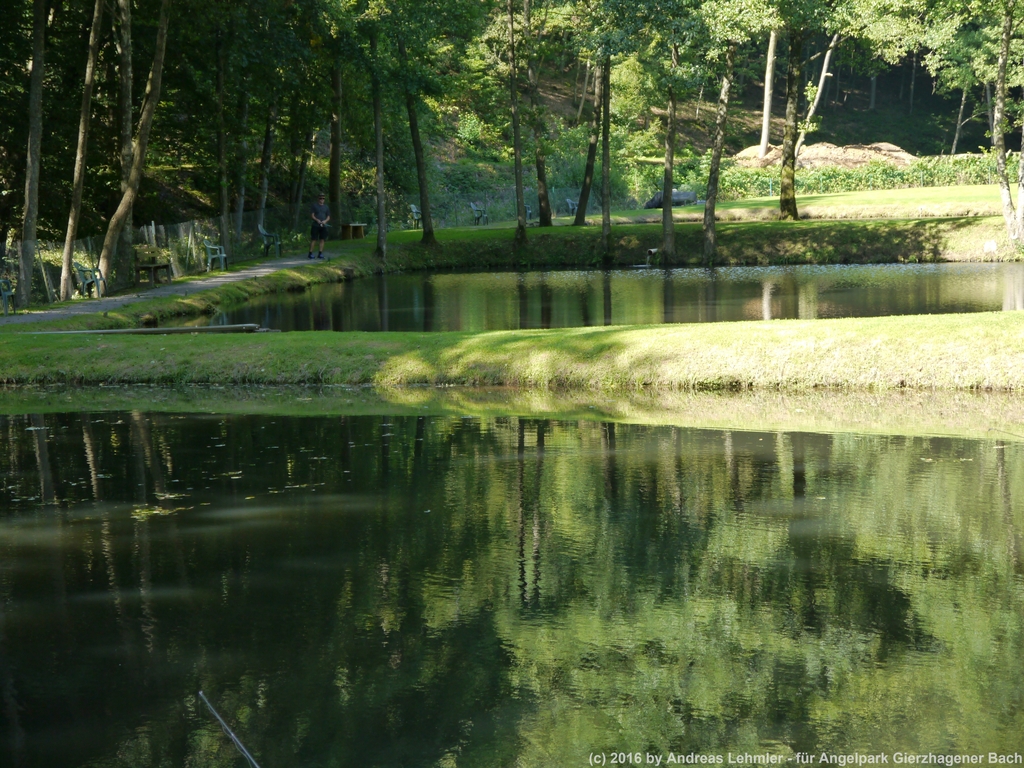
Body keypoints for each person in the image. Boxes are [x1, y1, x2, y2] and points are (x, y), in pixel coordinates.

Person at [309, 193, 330, 259]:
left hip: (323, 226)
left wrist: (325, 221)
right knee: (314, 239)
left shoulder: (326, 207)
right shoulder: (314, 206)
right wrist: (317, 220)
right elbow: (312, 215)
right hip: (315, 225)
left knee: (322, 239)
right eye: (320, 198)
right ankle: (310, 253)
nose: (322, 199)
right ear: (318, 199)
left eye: (323, 198)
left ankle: (320, 253)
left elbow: (328, 217)